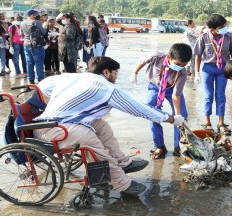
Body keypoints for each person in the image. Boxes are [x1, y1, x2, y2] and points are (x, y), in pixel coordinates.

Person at [33, 56, 185, 195]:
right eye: (115, 73)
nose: (116, 77)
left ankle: (122, 161)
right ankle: (121, 183)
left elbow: (43, 85)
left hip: (56, 123)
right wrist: (170, 119)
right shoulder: (106, 88)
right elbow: (139, 109)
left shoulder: (74, 77)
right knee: (89, 138)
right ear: (106, 72)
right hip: (50, 129)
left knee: (101, 126)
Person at [130, 43, 191, 159]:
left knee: (182, 116)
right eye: (177, 64)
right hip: (155, 87)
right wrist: (134, 73)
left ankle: (179, 147)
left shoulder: (182, 73)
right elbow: (143, 62)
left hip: (172, 90)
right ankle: (159, 146)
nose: (180, 67)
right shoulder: (156, 56)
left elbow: (176, 95)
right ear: (169, 57)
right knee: (151, 113)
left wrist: (177, 116)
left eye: (184, 65)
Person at [193, 14, 232, 135]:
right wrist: (197, 72)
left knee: (220, 95)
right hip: (208, 69)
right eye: (221, 26)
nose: (224, 28)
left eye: (224, 25)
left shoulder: (229, 37)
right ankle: (207, 122)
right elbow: (197, 55)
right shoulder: (203, 38)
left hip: (223, 68)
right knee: (208, 96)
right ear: (212, 29)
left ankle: (221, 122)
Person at [21, 9, 47, 83]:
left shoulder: (23, 23)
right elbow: (44, 32)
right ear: (32, 15)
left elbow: (21, 33)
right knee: (39, 63)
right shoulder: (36, 22)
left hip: (26, 44)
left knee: (29, 63)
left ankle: (31, 80)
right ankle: (40, 80)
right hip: (37, 45)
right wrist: (44, 26)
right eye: (35, 14)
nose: (37, 15)